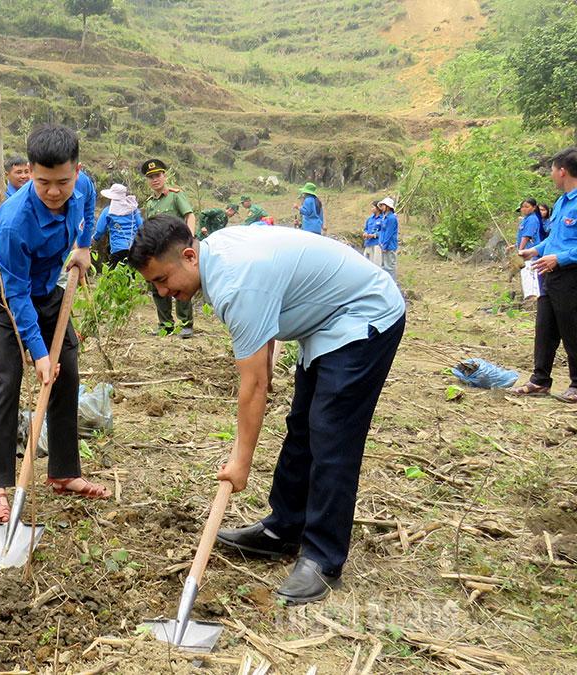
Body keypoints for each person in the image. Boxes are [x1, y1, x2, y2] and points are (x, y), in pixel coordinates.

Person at [128, 216, 405, 604]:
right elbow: (267, 319)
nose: (162, 291)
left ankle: (323, 559)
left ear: (189, 256)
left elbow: (254, 386)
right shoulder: (216, 256)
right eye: (154, 284)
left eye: (162, 279)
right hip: (325, 321)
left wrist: (240, 463)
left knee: (332, 433)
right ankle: (285, 528)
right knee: (302, 425)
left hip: (364, 314)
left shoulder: (236, 283)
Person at [0, 125, 108, 523]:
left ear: (76, 171)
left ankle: (64, 473)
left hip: (47, 288)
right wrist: (38, 353)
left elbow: (86, 208)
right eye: (43, 182)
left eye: (62, 182)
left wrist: (83, 248)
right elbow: (15, 296)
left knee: (66, 371)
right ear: (30, 172)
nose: (54, 191)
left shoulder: (81, 185)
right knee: (8, 378)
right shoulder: (13, 223)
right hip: (4, 296)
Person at [512, 147, 577, 403]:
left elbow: (564, 249)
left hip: (571, 274)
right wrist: (535, 251)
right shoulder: (562, 202)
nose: (551, 174)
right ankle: (540, 380)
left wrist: (559, 259)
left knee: (572, 329)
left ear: (562, 171)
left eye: (552, 169)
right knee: (545, 327)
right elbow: (555, 239)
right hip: (549, 274)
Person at [140, 158, 197, 337]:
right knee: (157, 286)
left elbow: (190, 216)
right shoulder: (150, 203)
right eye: (151, 177)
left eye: (158, 175)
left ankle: (186, 323)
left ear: (165, 176)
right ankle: (165, 324)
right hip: (157, 252)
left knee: (181, 284)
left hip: (176, 250)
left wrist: (190, 239)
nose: (155, 179)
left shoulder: (175, 196)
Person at [93, 183, 144, 268]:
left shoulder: (108, 211)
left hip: (118, 249)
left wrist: (94, 239)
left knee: (115, 276)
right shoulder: (133, 209)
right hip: (134, 248)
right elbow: (141, 226)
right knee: (132, 276)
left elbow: (100, 230)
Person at [376, 197, 398, 280]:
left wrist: (385, 245)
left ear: (388, 206)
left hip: (389, 246)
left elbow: (389, 233)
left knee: (390, 266)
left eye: (383, 205)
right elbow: (382, 231)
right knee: (384, 266)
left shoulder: (392, 218)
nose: (381, 207)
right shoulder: (384, 217)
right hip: (383, 245)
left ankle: (392, 284)